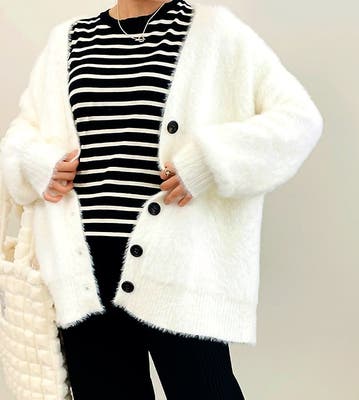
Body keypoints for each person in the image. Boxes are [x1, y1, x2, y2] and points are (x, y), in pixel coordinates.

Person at [0, 0, 323, 398]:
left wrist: (209, 162)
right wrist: (38, 164)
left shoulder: (214, 32)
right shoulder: (68, 39)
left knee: (207, 390)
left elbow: (298, 120)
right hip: (83, 275)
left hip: (179, 267)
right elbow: (22, 133)